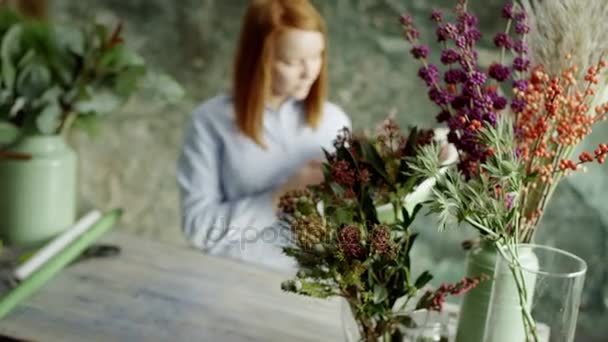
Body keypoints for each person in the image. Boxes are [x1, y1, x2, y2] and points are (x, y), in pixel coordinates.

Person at [177, 0, 351, 273]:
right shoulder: (210, 122)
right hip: (230, 277)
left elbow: (349, 222)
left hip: (316, 285)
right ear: (259, 58)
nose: (309, 72)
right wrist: (282, 195)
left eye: (317, 56)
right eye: (292, 61)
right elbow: (198, 229)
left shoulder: (334, 123)